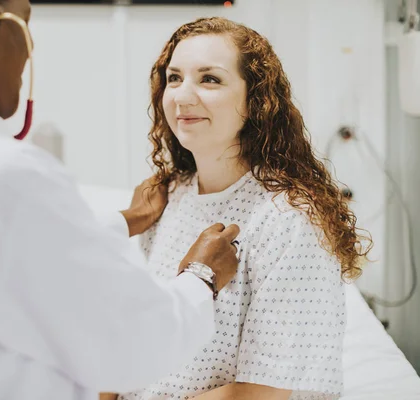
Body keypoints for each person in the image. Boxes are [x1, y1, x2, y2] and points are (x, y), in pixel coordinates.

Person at [0, 2, 242, 400]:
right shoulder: (1, 176)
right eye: (27, 21)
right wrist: (201, 277)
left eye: (210, 78)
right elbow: (132, 345)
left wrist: (124, 220)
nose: (30, 47)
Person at [101, 17, 372, 400]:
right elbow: (130, 337)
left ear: (255, 101)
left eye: (209, 79)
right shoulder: (169, 198)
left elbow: (262, 392)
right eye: (174, 77)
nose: (181, 96)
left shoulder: (289, 218)